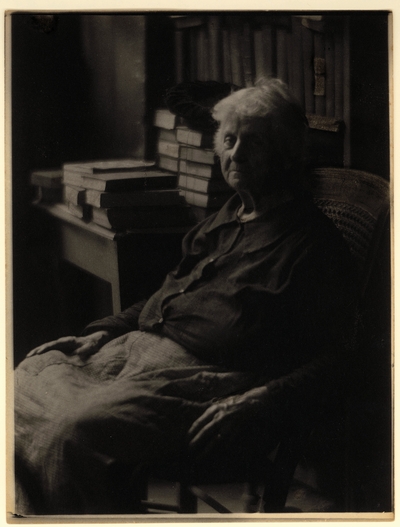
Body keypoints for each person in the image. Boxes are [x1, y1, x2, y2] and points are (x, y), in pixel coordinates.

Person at [14, 78, 358, 515]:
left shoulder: (312, 246)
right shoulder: (227, 216)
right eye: (230, 140)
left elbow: (340, 358)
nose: (235, 154)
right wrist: (100, 332)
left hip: (205, 381)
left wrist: (263, 400)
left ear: (286, 154)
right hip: (133, 352)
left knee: (71, 432)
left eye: (252, 144)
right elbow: (166, 295)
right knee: (23, 378)